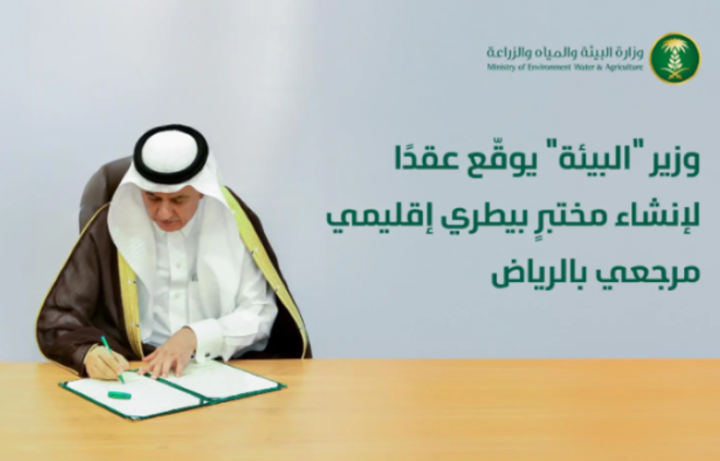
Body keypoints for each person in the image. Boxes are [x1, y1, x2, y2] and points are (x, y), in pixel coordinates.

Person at [36, 124, 311, 381]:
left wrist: (195, 336)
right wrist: (88, 353)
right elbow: (60, 316)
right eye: (152, 197)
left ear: (201, 191)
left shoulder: (234, 221)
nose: (164, 213)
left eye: (178, 199)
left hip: (220, 368)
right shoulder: (111, 225)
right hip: (135, 370)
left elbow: (260, 313)